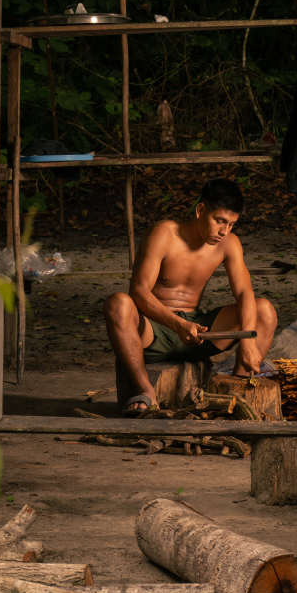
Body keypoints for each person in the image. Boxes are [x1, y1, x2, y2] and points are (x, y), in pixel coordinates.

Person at [104, 177, 278, 416]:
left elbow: (243, 292)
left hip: (198, 332)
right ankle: (146, 392)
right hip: (154, 330)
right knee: (117, 303)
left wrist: (247, 340)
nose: (224, 231)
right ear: (200, 210)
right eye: (219, 221)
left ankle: (235, 396)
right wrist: (178, 324)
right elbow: (139, 291)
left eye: (231, 224)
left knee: (264, 310)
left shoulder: (229, 243)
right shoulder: (164, 233)